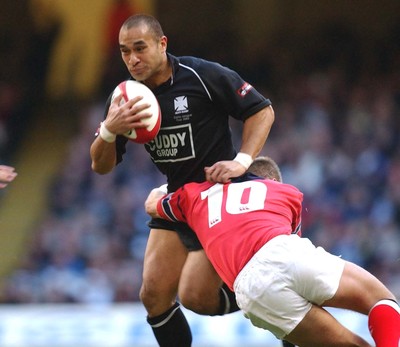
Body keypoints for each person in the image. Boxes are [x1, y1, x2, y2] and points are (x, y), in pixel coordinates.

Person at [90, 14, 275, 347]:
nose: (132, 59)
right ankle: (272, 297)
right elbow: (100, 166)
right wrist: (109, 130)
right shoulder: (125, 99)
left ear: (162, 44)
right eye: (124, 51)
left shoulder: (201, 75)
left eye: (139, 48)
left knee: (195, 296)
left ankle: (275, 299)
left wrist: (241, 161)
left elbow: (261, 110)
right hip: (177, 201)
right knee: (154, 296)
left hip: (218, 196)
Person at [145, 156, 400, 347]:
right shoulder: (287, 192)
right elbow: (293, 264)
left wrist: (164, 189)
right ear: (273, 179)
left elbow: (152, 206)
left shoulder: (196, 197)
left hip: (250, 292)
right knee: (381, 300)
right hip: (282, 251)